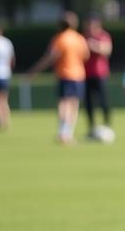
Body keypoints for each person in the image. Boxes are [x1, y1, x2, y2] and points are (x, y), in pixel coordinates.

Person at [27, 12, 91, 144]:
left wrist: (35, 70)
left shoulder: (59, 38)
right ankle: (68, 133)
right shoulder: (79, 38)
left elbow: (50, 57)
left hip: (64, 74)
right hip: (78, 74)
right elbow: (86, 55)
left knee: (64, 103)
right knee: (74, 105)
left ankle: (63, 132)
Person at [83, 15, 113, 139]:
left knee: (103, 100)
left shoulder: (103, 36)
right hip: (85, 74)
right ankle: (91, 127)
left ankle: (107, 124)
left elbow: (107, 50)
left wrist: (93, 45)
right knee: (88, 103)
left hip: (100, 74)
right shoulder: (83, 37)